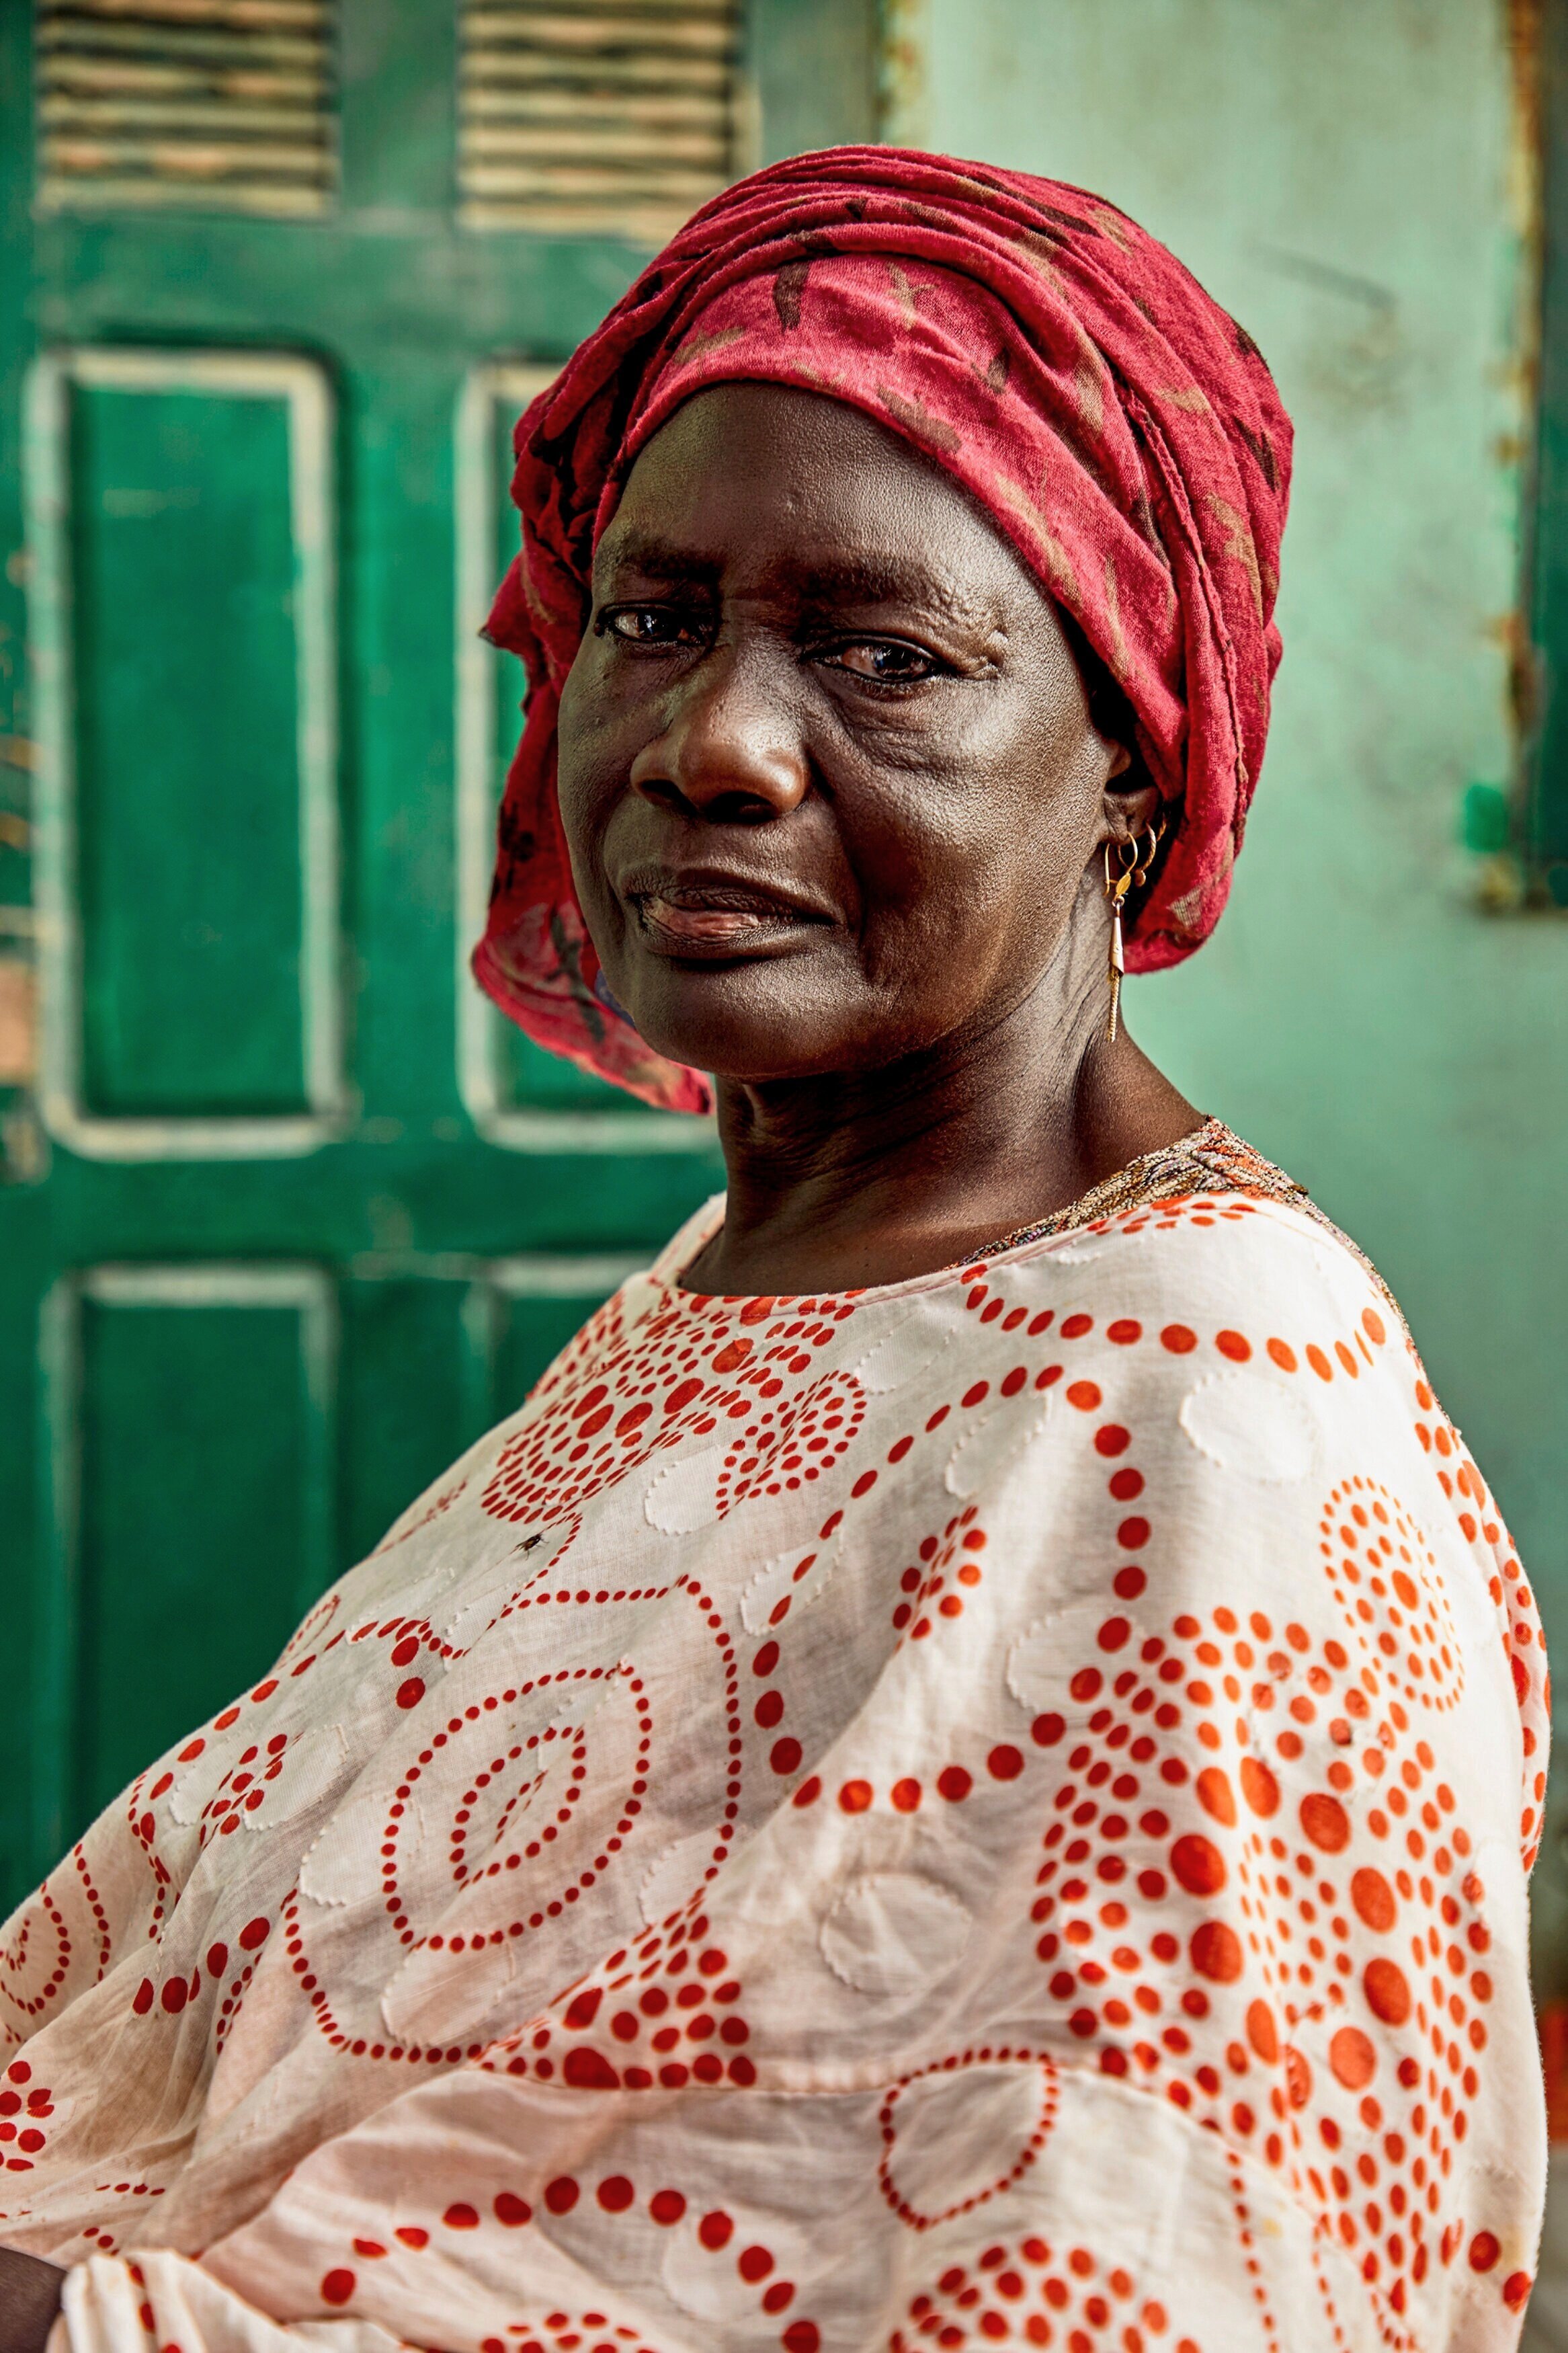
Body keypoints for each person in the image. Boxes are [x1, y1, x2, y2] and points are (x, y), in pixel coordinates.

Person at [0, 149, 1547, 2353]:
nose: (709, 743)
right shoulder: (757, 1283)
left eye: (887, 654)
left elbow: (1136, 2267)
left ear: (1130, 763)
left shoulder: (1212, 1410)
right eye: (653, 617)